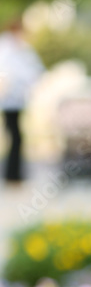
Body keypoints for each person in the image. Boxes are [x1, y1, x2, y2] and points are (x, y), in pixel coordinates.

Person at [0, 16, 44, 184]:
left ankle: (14, 173)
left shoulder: (21, 48)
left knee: (16, 135)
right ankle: (12, 174)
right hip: (8, 98)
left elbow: (34, 69)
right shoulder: (7, 46)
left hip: (17, 98)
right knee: (15, 135)